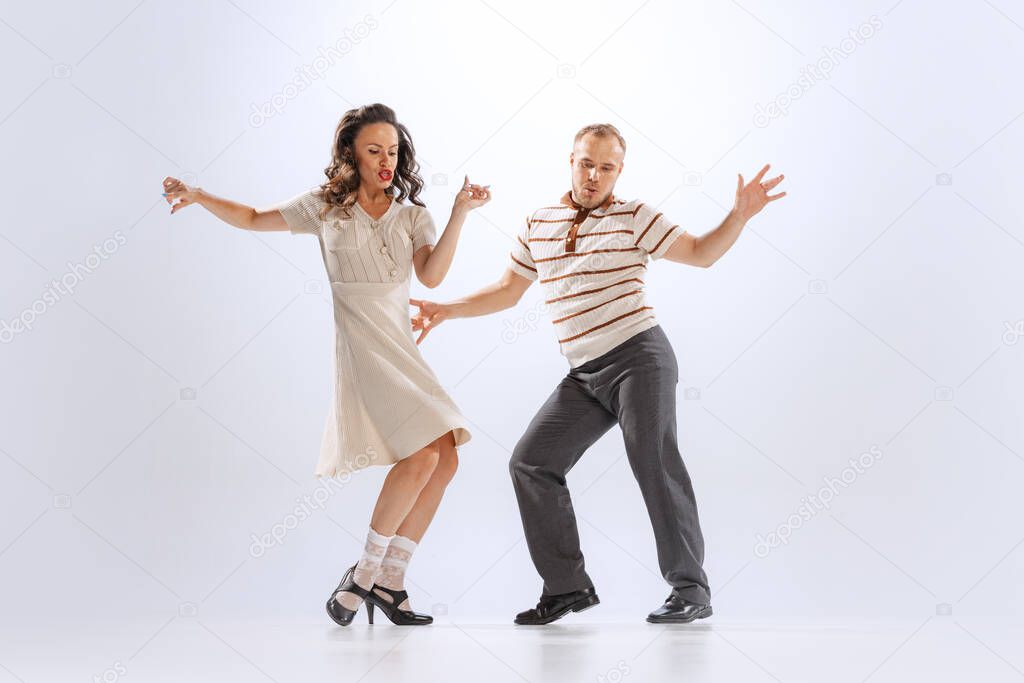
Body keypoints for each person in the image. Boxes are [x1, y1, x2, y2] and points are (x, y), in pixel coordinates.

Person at [410, 123, 786, 624]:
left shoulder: (635, 217)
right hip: (583, 374)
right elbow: (506, 290)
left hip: (640, 359)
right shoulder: (538, 223)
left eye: (606, 167)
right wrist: (446, 310)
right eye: (587, 163)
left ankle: (691, 589)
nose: (594, 176)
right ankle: (566, 588)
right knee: (530, 462)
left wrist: (738, 216)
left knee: (652, 457)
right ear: (570, 160)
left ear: (619, 171)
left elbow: (700, 253)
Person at [160, 103, 491, 627]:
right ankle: (363, 574)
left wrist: (460, 214)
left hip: (402, 350)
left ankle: (389, 582)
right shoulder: (324, 208)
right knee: (424, 456)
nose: (387, 160)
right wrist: (198, 196)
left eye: (393, 150)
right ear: (351, 155)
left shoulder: (412, 216)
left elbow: (431, 277)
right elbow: (250, 217)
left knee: (446, 456)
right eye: (374, 150)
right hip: (363, 351)